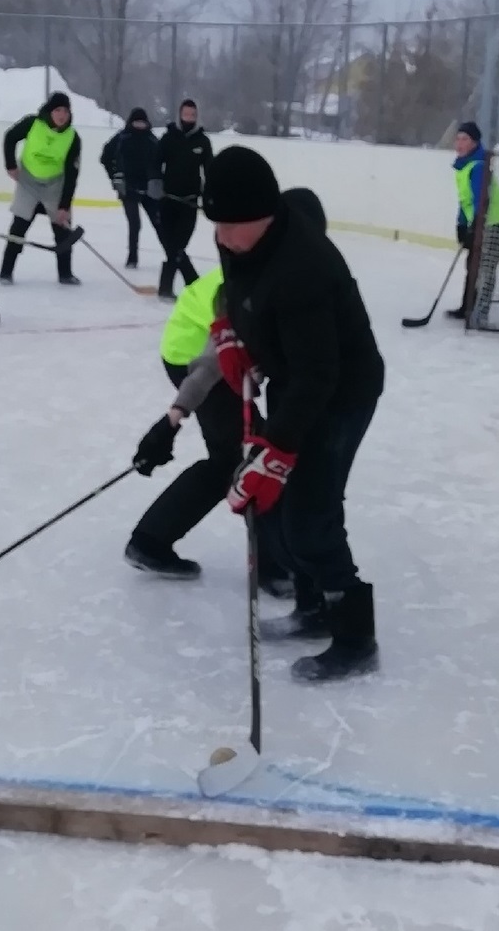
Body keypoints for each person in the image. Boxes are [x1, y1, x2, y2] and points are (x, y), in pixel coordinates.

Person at [201, 148, 385, 683]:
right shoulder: (237, 236)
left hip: (340, 391)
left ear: (265, 214)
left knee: (311, 513)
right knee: (281, 509)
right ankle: (312, 606)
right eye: (216, 225)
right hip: (294, 379)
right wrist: (229, 332)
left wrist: (277, 450)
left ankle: (355, 637)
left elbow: (319, 375)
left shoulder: (304, 266)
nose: (221, 238)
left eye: (231, 226)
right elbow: (231, 290)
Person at [124, 187, 330, 600]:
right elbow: (208, 366)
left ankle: (153, 539)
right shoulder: (248, 286)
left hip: (203, 351)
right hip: (196, 356)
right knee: (250, 458)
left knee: (241, 457)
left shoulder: (282, 268)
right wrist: (172, 420)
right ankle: (271, 565)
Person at [0, 91, 82, 286]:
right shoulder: (32, 123)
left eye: (66, 111)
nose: (62, 115)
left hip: (55, 185)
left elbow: (72, 174)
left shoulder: (73, 137)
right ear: (50, 111)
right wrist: (11, 165)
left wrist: (64, 206)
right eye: (58, 110)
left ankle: (65, 274)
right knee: (18, 227)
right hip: (28, 183)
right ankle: (6, 272)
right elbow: (10, 137)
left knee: (62, 230)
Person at [448, 120, 499, 323]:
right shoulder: (463, 166)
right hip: (479, 220)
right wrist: (461, 225)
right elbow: (465, 200)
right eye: (457, 139)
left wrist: (475, 226)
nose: (459, 143)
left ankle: (480, 314)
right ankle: (467, 307)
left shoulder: (478, 166)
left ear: (474, 142)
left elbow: (482, 200)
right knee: (472, 264)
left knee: (485, 267)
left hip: (495, 221)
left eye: (465, 139)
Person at [154, 98, 213, 298]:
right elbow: (155, 163)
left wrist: (210, 195)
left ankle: (184, 284)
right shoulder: (168, 138)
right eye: (186, 114)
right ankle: (189, 285)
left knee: (178, 246)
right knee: (173, 246)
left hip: (189, 203)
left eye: (192, 115)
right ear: (180, 115)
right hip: (168, 201)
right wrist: (155, 183)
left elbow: (210, 171)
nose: (189, 118)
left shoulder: (203, 142)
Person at [100, 107, 164, 270]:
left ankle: (172, 254)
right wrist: (114, 176)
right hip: (128, 188)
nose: (139, 126)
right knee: (135, 224)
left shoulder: (152, 140)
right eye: (136, 123)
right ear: (131, 122)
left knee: (159, 222)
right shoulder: (121, 138)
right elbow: (105, 157)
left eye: (142, 123)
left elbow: (161, 163)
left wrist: (158, 181)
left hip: (149, 189)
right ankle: (132, 258)